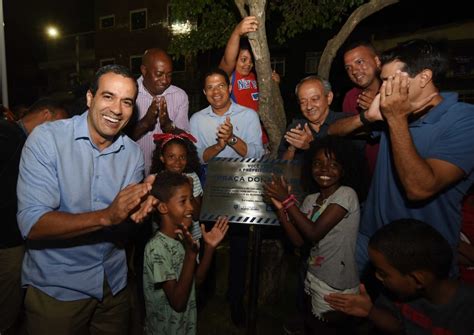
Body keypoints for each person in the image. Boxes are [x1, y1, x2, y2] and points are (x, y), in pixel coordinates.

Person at [16, 65, 156, 335]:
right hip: (58, 291)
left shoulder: (132, 155)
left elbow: (123, 227)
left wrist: (139, 213)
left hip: (113, 286)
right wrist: (107, 216)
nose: (117, 109)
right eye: (108, 96)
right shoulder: (47, 140)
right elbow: (32, 223)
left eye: (126, 102)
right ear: (90, 98)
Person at [328, 39, 474, 275]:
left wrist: (396, 118)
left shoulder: (464, 120)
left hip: (421, 256)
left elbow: (420, 187)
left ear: (424, 77)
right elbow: (331, 132)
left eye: (389, 81)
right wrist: (367, 117)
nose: (383, 89)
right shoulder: (389, 114)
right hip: (370, 238)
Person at [190, 68, 264, 326]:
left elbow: (257, 153)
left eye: (220, 85)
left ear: (229, 87)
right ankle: (202, 294)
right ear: (204, 93)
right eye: (210, 87)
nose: (216, 91)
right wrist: (219, 146)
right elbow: (197, 156)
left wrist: (231, 138)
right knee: (205, 242)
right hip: (211, 186)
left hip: (242, 186)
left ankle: (236, 301)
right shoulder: (197, 119)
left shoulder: (248, 115)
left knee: (240, 248)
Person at [265, 136, 361, 334]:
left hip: (335, 282)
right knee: (311, 322)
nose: (324, 169)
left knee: (325, 328)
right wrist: (280, 209)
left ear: (344, 168)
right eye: (318, 163)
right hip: (313, 275)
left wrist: (287, 200)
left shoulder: (346, 195)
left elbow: (314, 233)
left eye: (333, 164)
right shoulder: (310, 200)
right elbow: (299, 240)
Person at [325, 219, 474, 334]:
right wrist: (370, 311)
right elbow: (400, 327)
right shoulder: (397, 293)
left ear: (417, 279)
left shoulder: (466, 309)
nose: (377, 276)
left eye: (383, 273)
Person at [0, 98, 68, 333]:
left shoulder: (22, 140)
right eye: (59, 124)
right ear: (46, 116)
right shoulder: (9, 135)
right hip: (6, 239)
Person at [143, 171, 229, 335]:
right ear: (163, 207)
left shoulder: (181, 239)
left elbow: (195, 282)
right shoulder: (156, 248)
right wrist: (191, 256)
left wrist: (209, 248)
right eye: (183, 201)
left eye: (190, 199)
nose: (191, 206)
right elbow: (178, 302)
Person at [219, 16, 280, 149]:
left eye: (251, 61)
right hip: (240, 138)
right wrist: (237, 33)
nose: (248, 64)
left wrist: (274, 85)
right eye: (243, 59)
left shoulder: (256, 77)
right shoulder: (230, 76)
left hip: (263, 138)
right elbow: (227, 60)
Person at [131, 48, 189, 175]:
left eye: (169, 75)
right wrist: (145, 123)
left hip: (167, 176)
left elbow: (185, 142)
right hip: (133, 174)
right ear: (144, 70)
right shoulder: (129, 93)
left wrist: (169, 126)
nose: (165, 80)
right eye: (159, 74)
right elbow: (116, 141)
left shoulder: (179, 95)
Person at [278, 75, 346, 161]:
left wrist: (311, 146)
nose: (309, 106)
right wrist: (292, 148)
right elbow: (281, 166)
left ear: (329, 97)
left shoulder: (345, 122)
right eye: (303, 102)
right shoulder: (295, 128)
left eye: (314, 99)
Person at [150, 132, 203, 241]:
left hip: (191, 238)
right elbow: (155, 217)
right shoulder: (155, 180)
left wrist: (190, 190)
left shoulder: (192, 177)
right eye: (171, 157)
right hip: (164, 238)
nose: (177, 162)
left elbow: (197, 215)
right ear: (162, 158)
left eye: (182, 157)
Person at [342, 41, 382, 176]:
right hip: (365, 176)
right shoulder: (350, 97)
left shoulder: (394, 90)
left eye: (359, 62)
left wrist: (382, 111)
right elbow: (347, 134)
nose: (354, 71)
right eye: (348, 68)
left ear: (377, 61)